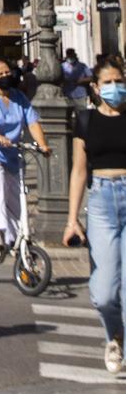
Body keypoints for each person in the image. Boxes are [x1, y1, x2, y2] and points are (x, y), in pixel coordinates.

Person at [66, 54, 126, 373]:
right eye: (109, 82)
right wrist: (72, 218)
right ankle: (113, 335)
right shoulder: (86, 121)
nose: (115, 87)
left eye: (120, 81)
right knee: (103, 293)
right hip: (101, 202)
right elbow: (78, 172)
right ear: (96, 86)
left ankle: (120, 343)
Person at [0, 55, 51, 256]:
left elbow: (32, 122)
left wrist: (43, 145)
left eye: (8, 72)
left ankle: (19, 239)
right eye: (0, 74)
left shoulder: (19, 98)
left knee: (18, 196)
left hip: (12, 156)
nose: (6, 76)